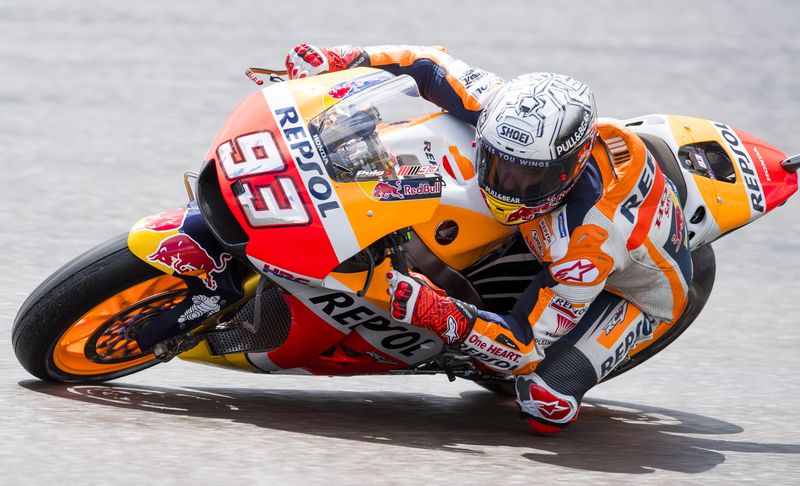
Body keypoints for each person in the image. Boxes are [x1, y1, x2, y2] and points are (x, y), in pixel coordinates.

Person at [285, 44, 693, 434]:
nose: (507, 184)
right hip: (576, 214)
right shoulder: (507, 111)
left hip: (638, 293)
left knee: (543, 402)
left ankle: (560, 376)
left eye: (528, 175)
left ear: (565, 172)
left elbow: (523, 344)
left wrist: (441, 313)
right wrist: (344, 57)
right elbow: (427, 64)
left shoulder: (585, 247)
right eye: (498, 163)